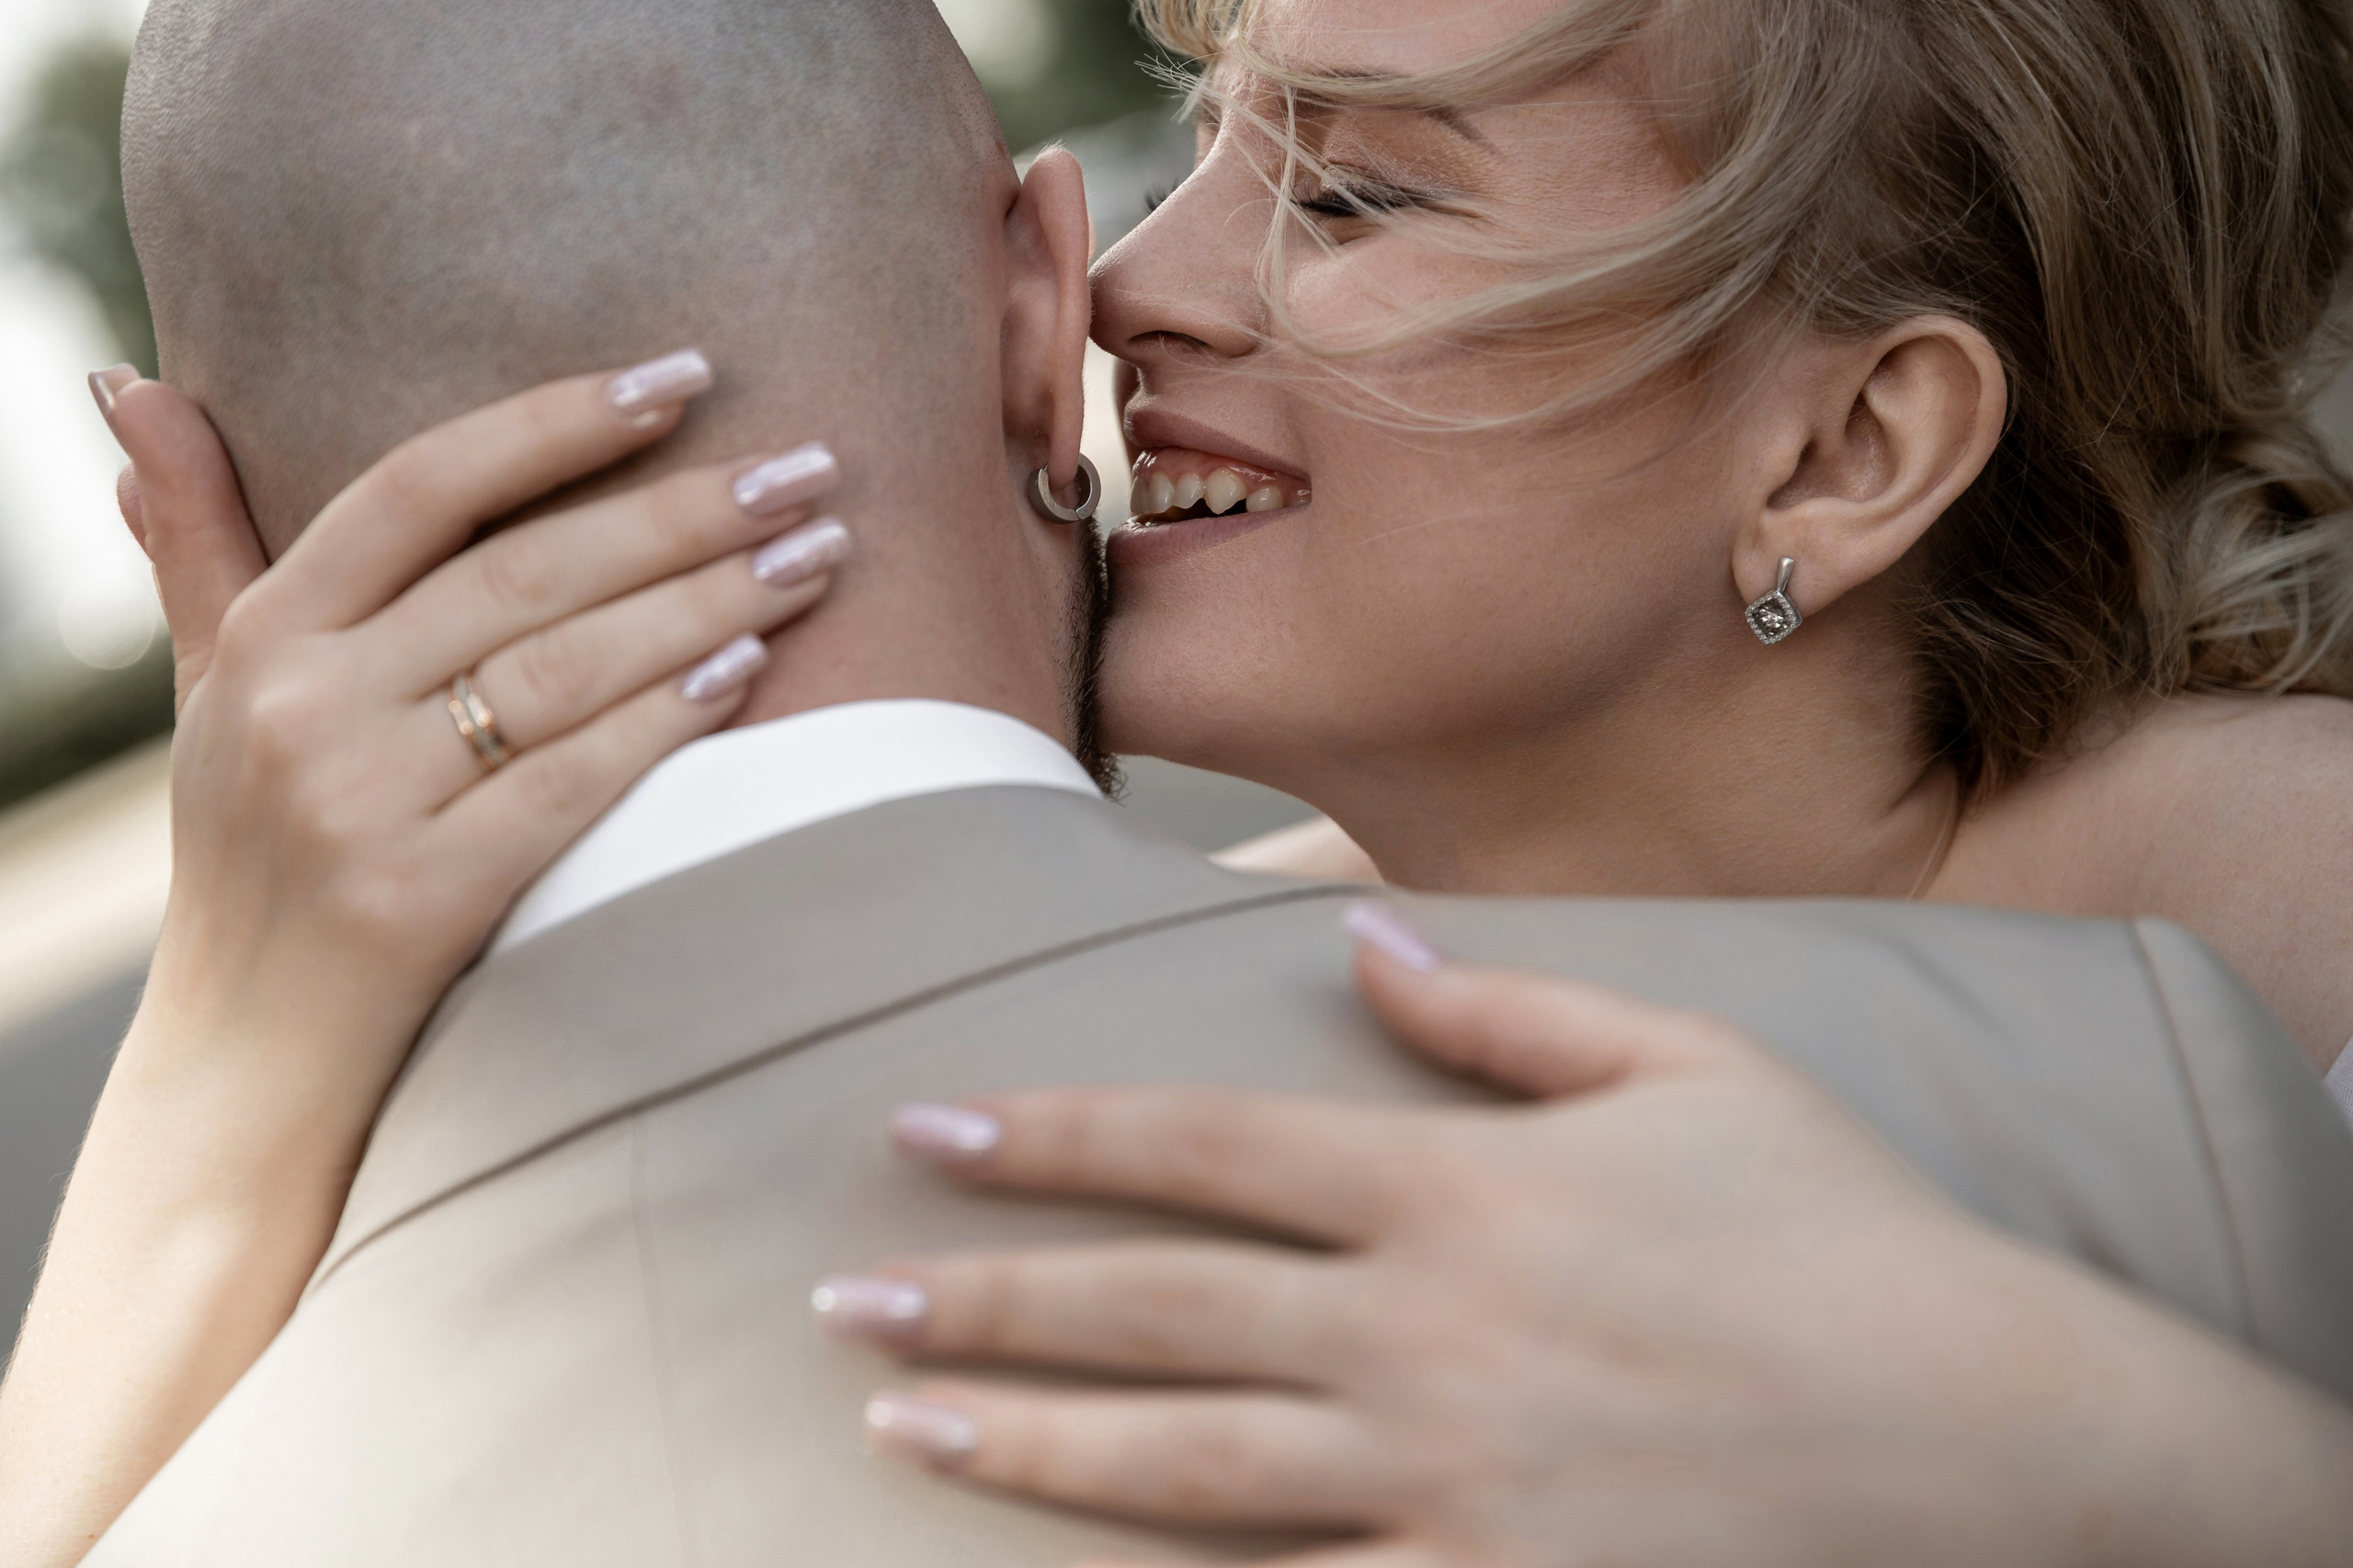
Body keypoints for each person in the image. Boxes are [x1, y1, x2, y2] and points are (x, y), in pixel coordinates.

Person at [5, 0, 2351, 1561]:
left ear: (1842, 448)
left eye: (1353, 197)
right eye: (1211, 149)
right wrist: (237, 1030)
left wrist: (2058, 1436)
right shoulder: (1180, 969)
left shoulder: (2290, 970)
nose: (1128, 281)